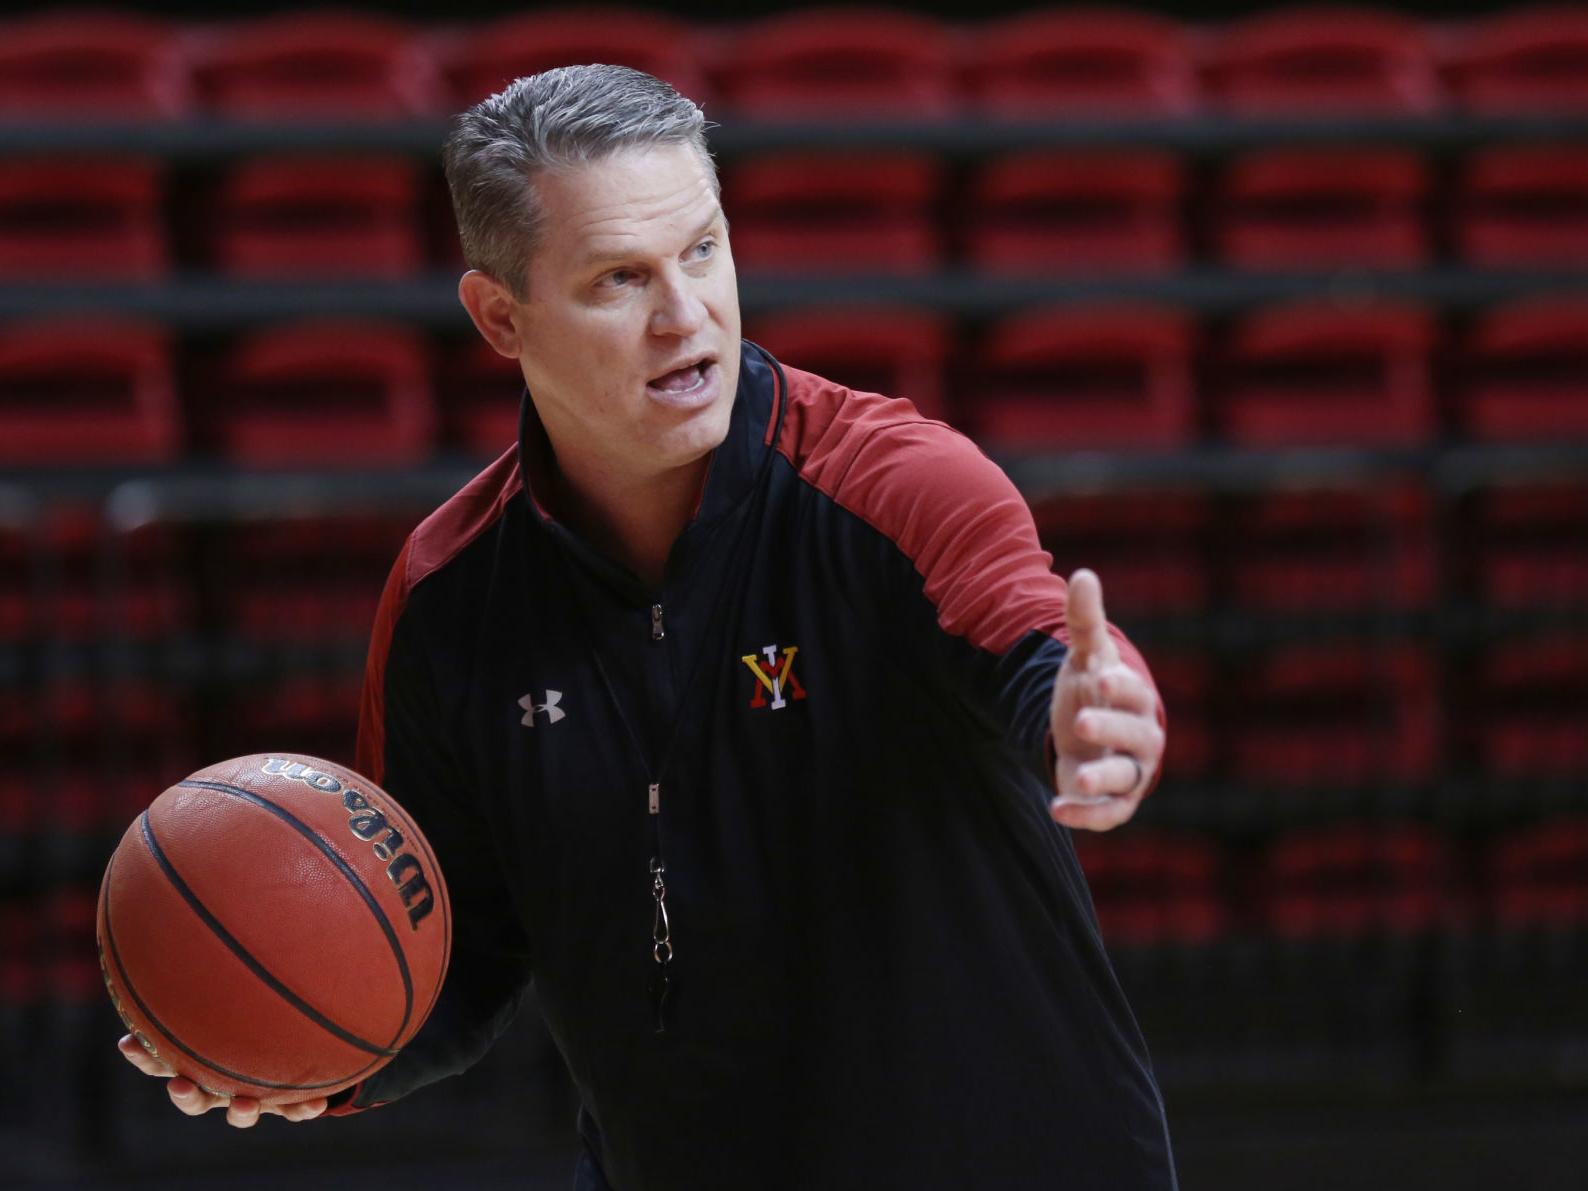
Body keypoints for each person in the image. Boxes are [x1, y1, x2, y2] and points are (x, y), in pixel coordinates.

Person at [120, 64, 1174, 1189]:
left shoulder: (892, 482)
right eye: (620, 279)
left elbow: (1028, 639)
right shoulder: (448, 598)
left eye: (704, 251)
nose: (686, 315)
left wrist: (1092, 713)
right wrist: (299, 1053)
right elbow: (450, 945)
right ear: (499, 317)